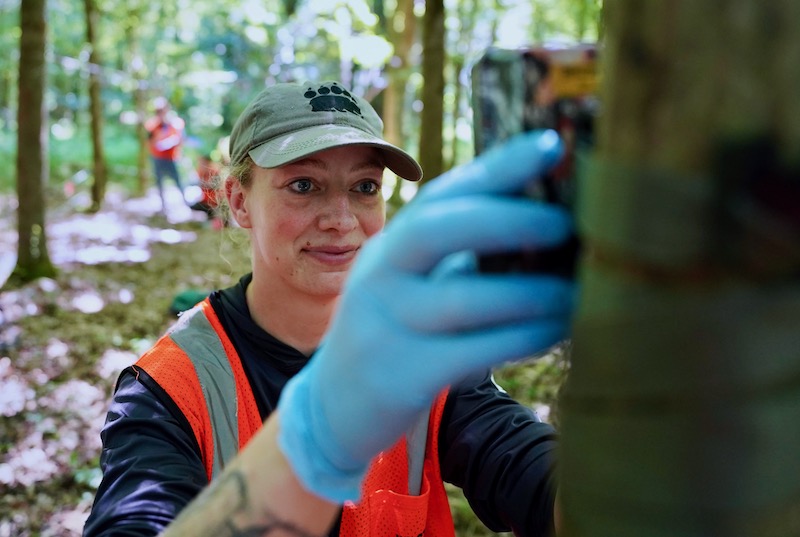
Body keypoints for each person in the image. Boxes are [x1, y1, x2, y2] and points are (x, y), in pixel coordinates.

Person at [83, 81, 575, 537]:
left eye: (365, 187)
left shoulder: (419, 354)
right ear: (238, 201)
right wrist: (316, 439)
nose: (341, 220)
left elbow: (540, 481)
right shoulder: (170, 389)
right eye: (304, 185)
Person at [145, 97, 187, 215]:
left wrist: (173, 140)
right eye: (158, 111)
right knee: (159, 182)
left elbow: (181, 138)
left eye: (163, 110)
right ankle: (163, 207)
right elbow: (149, 141)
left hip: (172, 157)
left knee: (178, 180)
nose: (161, 113)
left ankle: (185, 204)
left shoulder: (175, 123)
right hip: (157, 158)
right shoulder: (152, 125)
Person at [189, 153, 225, 227]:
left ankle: (217, 220)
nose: (200, 164)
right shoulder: (200, 171)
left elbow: (215, 185)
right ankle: (211, 219)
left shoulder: (214, 171)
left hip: (216, 200)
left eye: (202, 162)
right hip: (206, 200)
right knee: (193, 206)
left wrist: (204, 184)